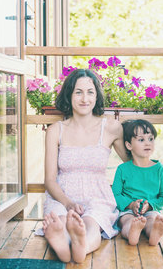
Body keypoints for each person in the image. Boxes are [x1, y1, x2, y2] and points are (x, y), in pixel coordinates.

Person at [42, 69, 128, 263]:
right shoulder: (56, 130)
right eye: (78, 92)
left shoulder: (111, 127)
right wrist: (67, 202)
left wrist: (162, 175)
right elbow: (49, 179)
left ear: (96, 96)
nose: (84, 98)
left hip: (97, 195)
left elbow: (132, 164)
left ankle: (82, 245)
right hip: (62, 194)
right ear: (69, 95)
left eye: (90, 92)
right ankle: (62, 244)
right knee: (60, 221)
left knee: (91, 223)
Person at [112, 119, 163, 246]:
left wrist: (150, 205)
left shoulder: (159, 168)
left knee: (152, 220)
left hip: (151, 209)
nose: (147, 143)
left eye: (150, 139)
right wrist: (131, 204)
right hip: (127, 211)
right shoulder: (122, 169)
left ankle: (154, 233)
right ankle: (132, 232)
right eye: (141, 140)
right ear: (129, 145)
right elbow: (115, 195)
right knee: (127, 221)